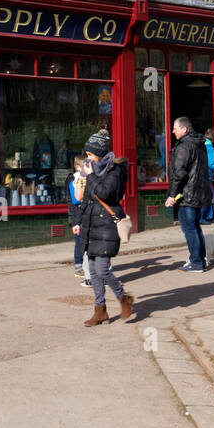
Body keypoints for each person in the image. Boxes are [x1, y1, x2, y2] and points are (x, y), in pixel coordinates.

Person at [79, 129, 134, 325]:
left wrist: (91, 176)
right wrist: (78, 222)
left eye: (90, 154)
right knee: (93, 271)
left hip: (108, 225)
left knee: (102, 270)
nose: (87, 158)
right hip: (93, 224)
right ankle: (100, 310)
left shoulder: (114, 171)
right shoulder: (94, 170)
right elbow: (88, 197)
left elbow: (103, 193)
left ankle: (124, 299)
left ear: (99, 153)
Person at [165, 116, 212, 272]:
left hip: (187, 194)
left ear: (184, 129)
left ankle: (196, 262)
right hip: (198, 192)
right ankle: (199, 259)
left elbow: (179, 172)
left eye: (175, 128)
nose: (173, 131)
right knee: (195, 227)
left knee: (190, 229)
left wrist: (172, 194)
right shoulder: (199, 144)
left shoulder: (185, 146)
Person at [68, 155, 92, 286]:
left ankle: (84, 266)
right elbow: (75, 200)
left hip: (83, 214)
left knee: (84, 241)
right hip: (78, 214)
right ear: (78, 167)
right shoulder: (75, 180)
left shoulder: (83, 178)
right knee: (80, 241)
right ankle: (79, 265)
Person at [202, 125, 214, 222]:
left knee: (208, 196)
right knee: (208, 197)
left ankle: (208, 216)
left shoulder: (200, 145)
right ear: (213, 138)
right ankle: (204, 217)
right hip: (206, 174)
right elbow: (211, 163)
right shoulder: (209, 148)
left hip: (199, 174)